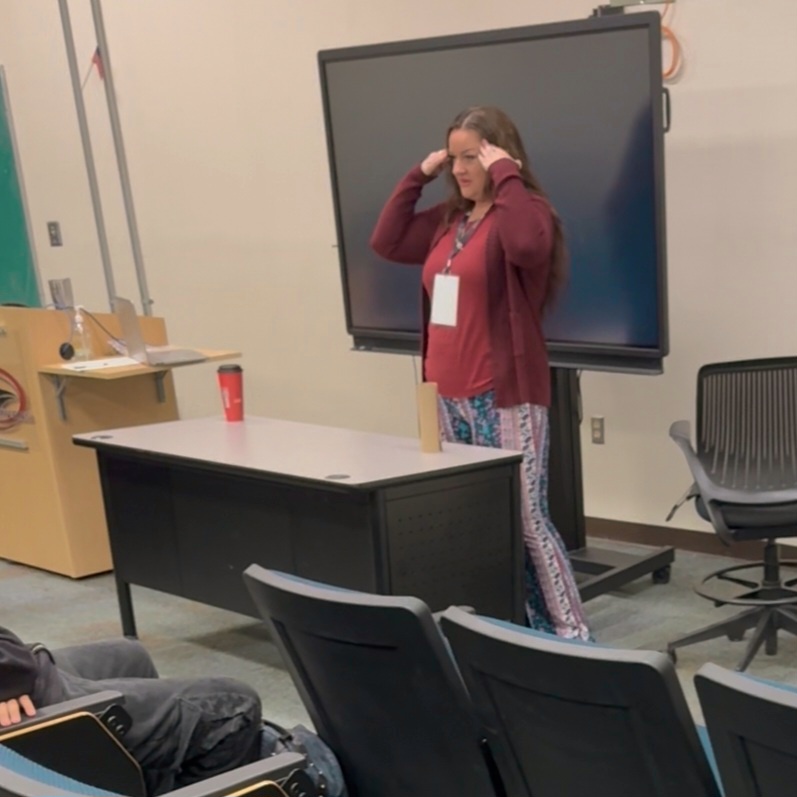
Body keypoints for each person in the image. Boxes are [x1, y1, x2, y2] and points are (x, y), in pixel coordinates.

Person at [370, 105, 590, 640]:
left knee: (526, 519)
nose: (460, 169)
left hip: (503, 395)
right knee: (474, 522)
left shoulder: (527, 212)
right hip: (445, 396)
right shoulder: (450, 220)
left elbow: (527, 247)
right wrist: (417, 175)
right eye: (454, 159)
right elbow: (386, 241)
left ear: (496, 155)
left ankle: (572, 636)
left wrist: (508, 174)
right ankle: (505, 630)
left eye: (471, 157)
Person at [0, 625, 265, 795]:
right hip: (29, 689)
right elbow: (18, 667)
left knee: (130, 654)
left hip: (20, 670)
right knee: (237, 705)